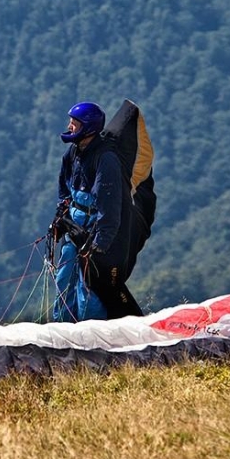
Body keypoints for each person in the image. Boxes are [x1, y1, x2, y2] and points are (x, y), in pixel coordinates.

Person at [51, 101, 145, 321]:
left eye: (74, 123)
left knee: (88, 287)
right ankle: (62, 327)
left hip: (92, 233)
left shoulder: (105, 159)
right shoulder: (73, 153)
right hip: (74, 227)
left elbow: (109, 206)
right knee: (64, 277)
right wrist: (60, 216)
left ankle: (91, 334)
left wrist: (100, 244)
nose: (70, 126)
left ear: (88, 127)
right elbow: (64, 188)